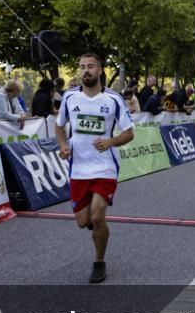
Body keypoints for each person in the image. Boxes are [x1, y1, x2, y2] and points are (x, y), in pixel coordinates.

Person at [55, 53, 135, 283]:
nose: (86, 71)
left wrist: (110, 142)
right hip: (78, 167)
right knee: (83, 222)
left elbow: (129, 133)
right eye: (82, 67)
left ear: (100, 70)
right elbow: (59, 126)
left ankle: (99, 262)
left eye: (90, 66)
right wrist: (63, 145)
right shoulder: (69, 97)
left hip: (105, 166)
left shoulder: (113, 99)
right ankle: (93, 224)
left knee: (98, 216)